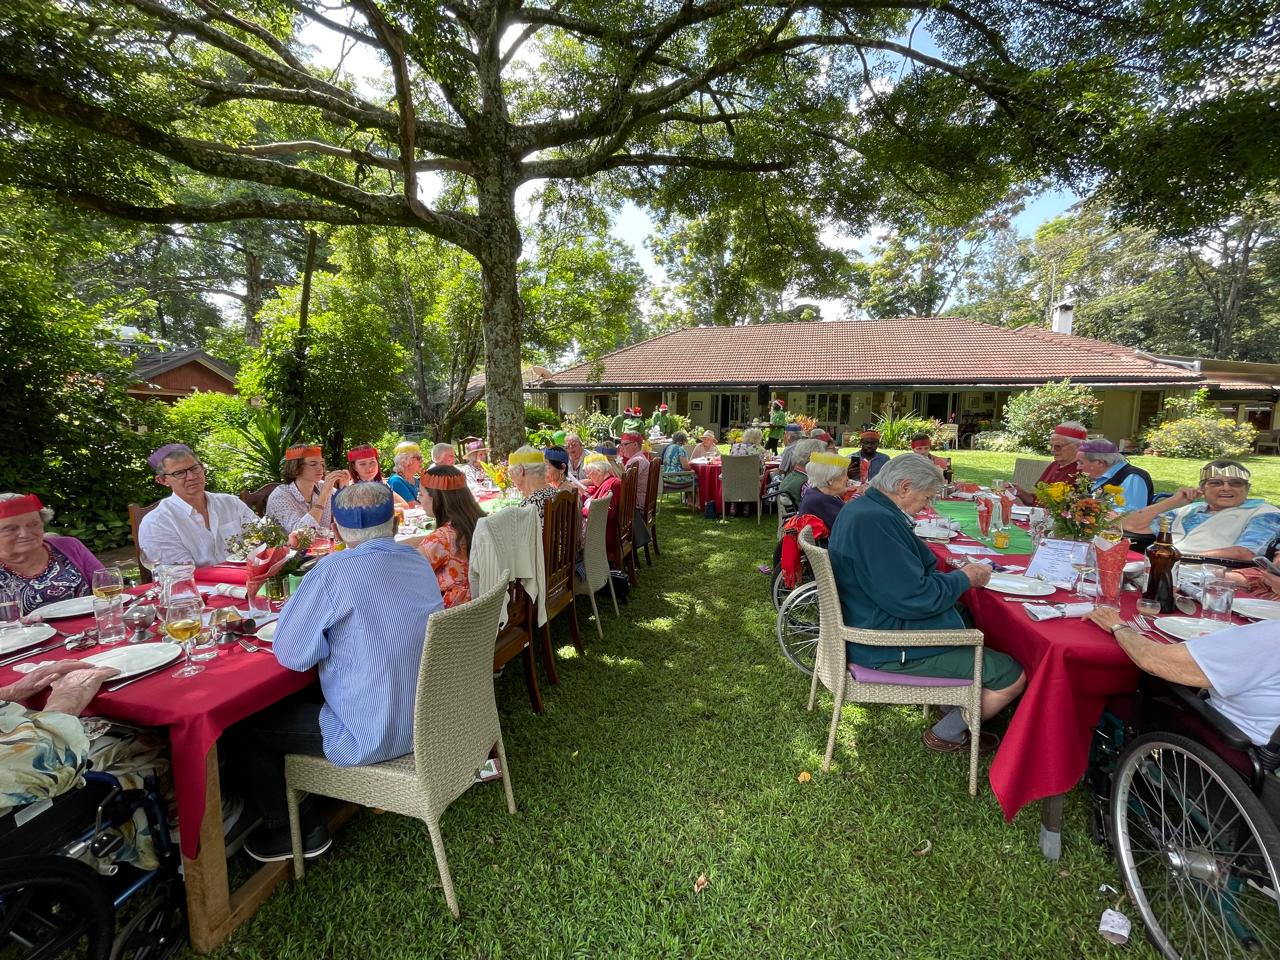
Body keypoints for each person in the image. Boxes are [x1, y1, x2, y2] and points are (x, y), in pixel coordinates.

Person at [232, 482, 444, 862]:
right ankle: (313, 800)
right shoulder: (416, 560)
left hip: (372, 735)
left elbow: (293, 655)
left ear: (337, 530)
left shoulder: (333, 571)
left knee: (245, 724)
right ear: (396, 523)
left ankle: (292, 828)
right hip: (426, 719)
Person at [828, 454, 1026, 754]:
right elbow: (914, 598)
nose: (927, 505)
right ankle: (946, 732)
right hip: (884, 645)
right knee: (1010, 675)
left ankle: (951, 702)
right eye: (926, 497)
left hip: (871, 619)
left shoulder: (864, 508)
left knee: (966, 613)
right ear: (904, 487)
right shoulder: (874, 521)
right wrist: (964, 578)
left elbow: (904, 583)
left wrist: (955, 578)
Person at [0, 661, 171, 868]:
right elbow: (44, 762)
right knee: (148, 740)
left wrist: (9, 693)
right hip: (29, 811)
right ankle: (180, 858)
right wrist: (67, 699)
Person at [1085, 608, 1280, 746]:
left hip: (1230, 741)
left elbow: (1153, 660)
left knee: (1148, 685)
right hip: (1268, 746)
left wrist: (1118, 626)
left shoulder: (1271, 637)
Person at [1120, 460, 1280, 560]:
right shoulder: (1188, 510)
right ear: (1202, 488)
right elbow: (1132, 526)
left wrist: (1178, 558)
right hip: (1164, 568)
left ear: (1247, 488)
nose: (1226, 488)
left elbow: (1246, 553)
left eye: (1236, 483)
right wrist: (1172, 502)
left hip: (1211, 576)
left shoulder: (1264, 513)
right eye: (1216, 483)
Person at [138, 443, 258, 567]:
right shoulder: (157, 523)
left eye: (194, 468)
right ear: (163, 480)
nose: (191, 477)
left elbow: (262, 538)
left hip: (248, 575)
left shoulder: (231, 504)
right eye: (179, 473)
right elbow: (177, 573)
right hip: (196, 580)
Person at [0, 493, 104, 611]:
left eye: (33, 524)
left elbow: (106, 585)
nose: (25, 534)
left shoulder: (69, 546)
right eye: (11, 529)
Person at [417, 465, 483, 607]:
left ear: (437, 498)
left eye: (421, 494)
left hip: (452, 614)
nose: (418, 499)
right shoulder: (479, 522)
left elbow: (412, 575)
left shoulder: (441, 538)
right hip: (483, 603)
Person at [266, 444, 350, 533]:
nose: (320, 468)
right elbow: (301, 533)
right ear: (296, 467)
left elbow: (349, 517)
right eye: (313, 464)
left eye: (321, 464)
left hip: (323, 541)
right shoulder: (280, 496)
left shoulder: (322, 486)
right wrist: (324, 493)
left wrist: (344, 488)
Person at [1013, 422, 1086, 505]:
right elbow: (1038, 501)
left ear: (1078, 446)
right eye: (1051, 446)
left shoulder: (1084, 471)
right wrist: (1019, 492)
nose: (1052, 450)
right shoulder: (1054, 465)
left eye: (1058, 446)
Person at [1074, 439, 1153, 512]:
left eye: (1081, 462)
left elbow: (1130, 514)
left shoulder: (1133, 477)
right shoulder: (1094, 477)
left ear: (1100, 463)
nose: (1078, 467)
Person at [797, 451, 850, 530]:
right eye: (844, 474)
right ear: (830, 480)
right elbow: (849, 526)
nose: (847, 479)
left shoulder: (813, 493)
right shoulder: (822, 501)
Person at [581, 453, 622, 545]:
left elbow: (604, 513)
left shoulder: (612, 485)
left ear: (599, 470)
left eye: (588, 472)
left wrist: (581, 511)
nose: (587, 476)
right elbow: (598, 491)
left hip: (604, 535)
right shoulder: (610, 481)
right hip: (606, 530)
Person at [509, 447, 558, 519]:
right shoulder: (555, 493)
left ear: (521, 470)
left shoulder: (529, 507)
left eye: (511, 473)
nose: (512, 481)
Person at [776, 439, 822, 511]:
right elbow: (816, 507)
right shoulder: (806, 483)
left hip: (794, 514)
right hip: (805, 515)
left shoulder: (793, 475)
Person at [618, 432, 651, 506]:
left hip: (634, 505)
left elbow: (622, 482)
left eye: (625, 444)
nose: (621, 448)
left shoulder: (637, 461)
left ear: (635, 445)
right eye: (621, 445)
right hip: (637, 501)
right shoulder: (639, 459)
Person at [387, 442, 424, 507]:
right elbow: (413, 506)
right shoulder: (396, 481)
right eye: (418, 458)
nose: (422, 460)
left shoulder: (416, 481)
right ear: (404, 461)